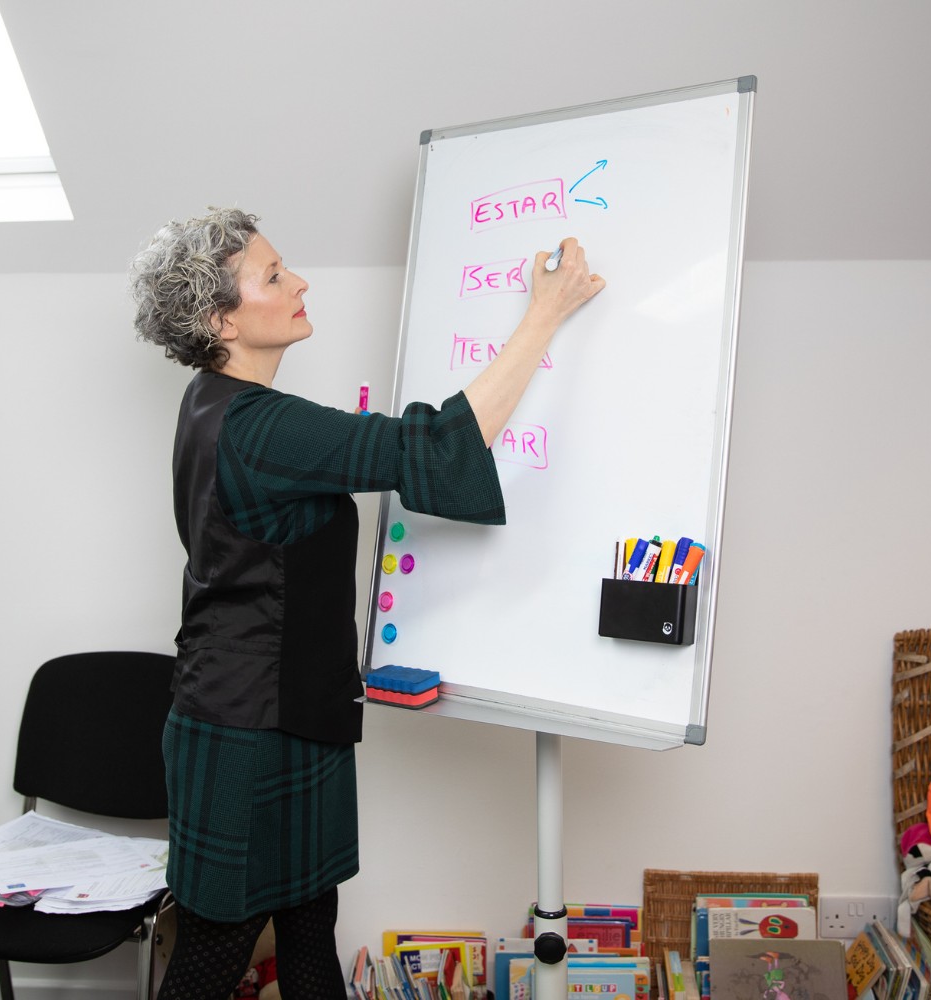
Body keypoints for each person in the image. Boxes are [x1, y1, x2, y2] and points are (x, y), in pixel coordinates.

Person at [130, 207, 604, 1000]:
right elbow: (440, 447)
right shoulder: (260, 428)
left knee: (312, 931)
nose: (300, 282)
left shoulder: (208, 401)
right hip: (246, 733)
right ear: (220, 318)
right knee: (213, 958)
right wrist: (544, 313)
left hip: (287, 715)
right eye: (274, 275)